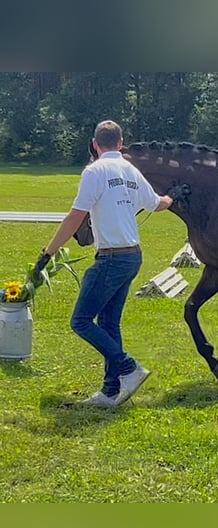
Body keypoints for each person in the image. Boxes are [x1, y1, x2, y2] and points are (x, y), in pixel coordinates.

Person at [33, 120, 173, 408]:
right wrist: (173, 197)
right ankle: (111, 391)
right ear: (121, 143)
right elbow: (156, 203)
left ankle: (128, 367)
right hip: (133, 256)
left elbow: (75, 218)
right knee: (109, 322)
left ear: (95, 144)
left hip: (110, 258)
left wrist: (47, 253)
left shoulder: (94, 171)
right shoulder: (132, 171)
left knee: (81, 321)